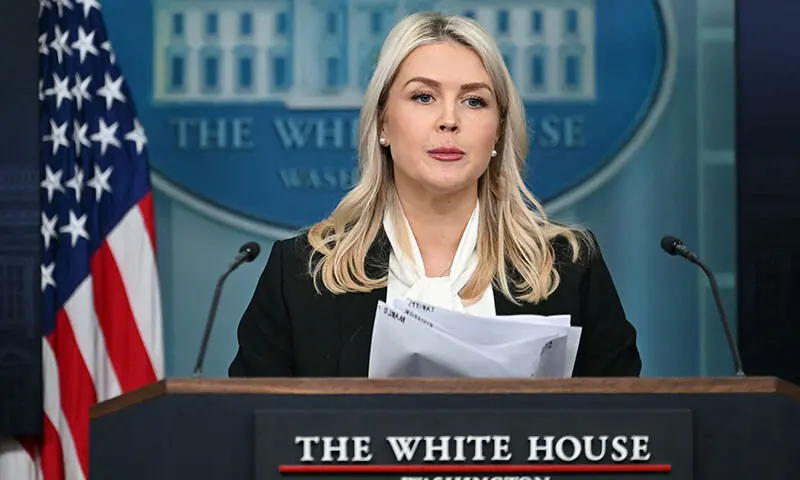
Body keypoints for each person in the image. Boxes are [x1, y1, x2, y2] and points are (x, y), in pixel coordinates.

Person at [228, 11, 641, 378]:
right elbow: (251, 439)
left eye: (474, 101)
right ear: (383, 125)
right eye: (423, 97)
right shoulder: (301, 275)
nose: (449, 120)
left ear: (498, 130)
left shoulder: (569, 269)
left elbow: (628, 433)